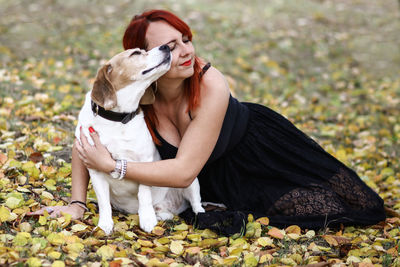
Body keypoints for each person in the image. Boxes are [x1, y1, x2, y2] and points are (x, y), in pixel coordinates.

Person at [29, 9, 386, 234]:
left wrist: (114, 166)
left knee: (339, 209)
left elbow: (183, 172)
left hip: (257, 156)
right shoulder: (132, 95)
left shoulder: (210, 82)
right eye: (169, 46)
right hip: (209, 181)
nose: (184, 51)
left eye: (186, 40)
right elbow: (87, 138)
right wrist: (77, 204)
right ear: (144, 58)